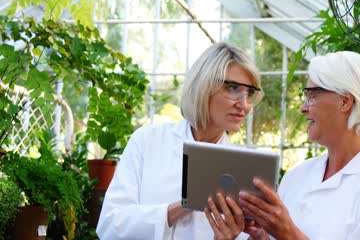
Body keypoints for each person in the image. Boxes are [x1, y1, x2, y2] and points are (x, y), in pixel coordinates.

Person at [96, 42, 264, 239]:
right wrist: (179, 208)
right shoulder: (148, 141)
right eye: (233, 88)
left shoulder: (243, 171)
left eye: (250, 93)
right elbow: (109, 225)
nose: (244, 105)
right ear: (204, 86)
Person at [238, 51, 360, 239]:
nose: (303, 108)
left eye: (312, 96)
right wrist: (263, 236)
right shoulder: (296, 176)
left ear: (345, 101)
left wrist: (288, 234)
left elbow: (288, 234)